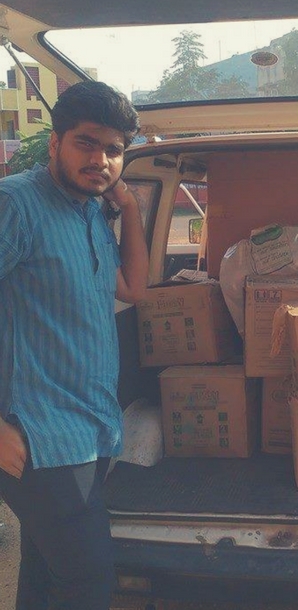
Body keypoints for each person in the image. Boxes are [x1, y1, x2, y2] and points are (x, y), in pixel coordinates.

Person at [0, 81, 148, 609]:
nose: (101, 159)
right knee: (87, 581)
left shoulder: (89, 210)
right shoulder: (15, 204)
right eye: (87, 143)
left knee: (48, 575)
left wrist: (127, 207)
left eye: (114, 150)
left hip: (90, 428)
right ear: (57, 141)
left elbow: (132, 288)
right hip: (38, 439)